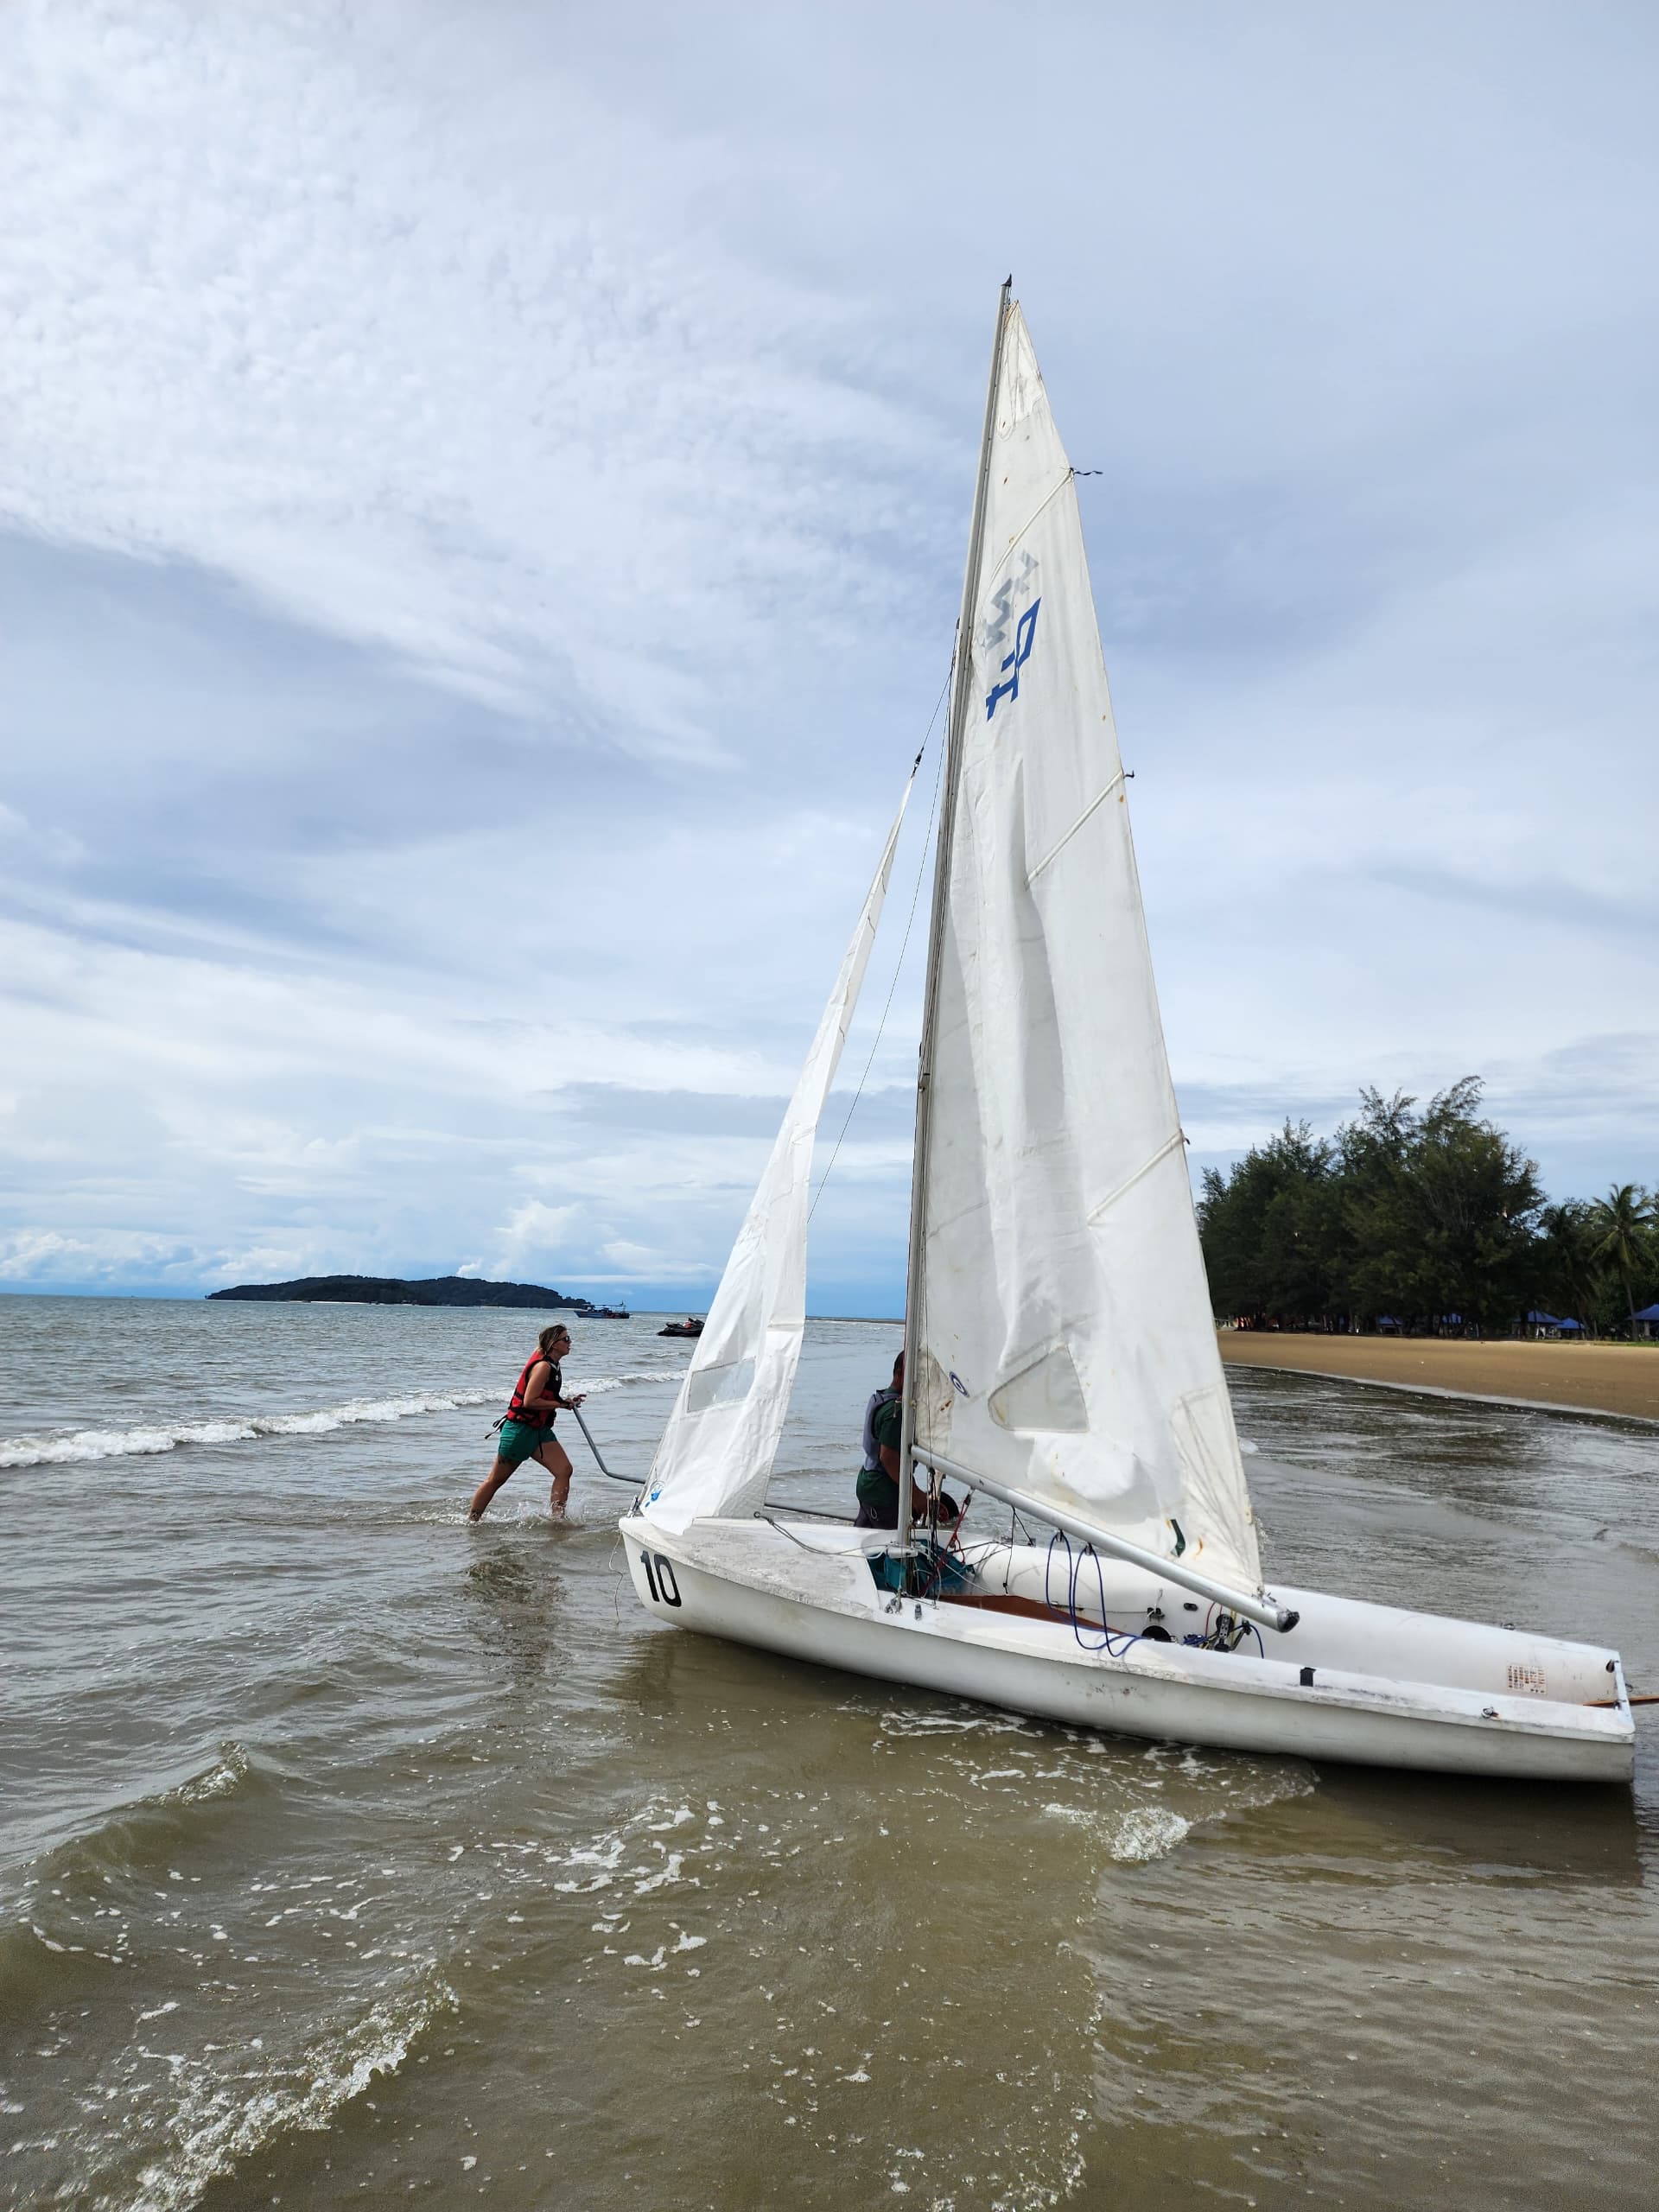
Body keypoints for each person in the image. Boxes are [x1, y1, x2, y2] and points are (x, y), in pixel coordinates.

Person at [469, 1324, 587, 1522]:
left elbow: (545, 1397)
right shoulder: (542, 1367)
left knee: (564, 1470)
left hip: (539, 1430)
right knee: (496, 1480)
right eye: (565, 1339)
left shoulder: (553, 1365)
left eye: (569, 1338)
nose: (570, 1342)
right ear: (553, 1344)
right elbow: (529, 1401)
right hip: (520, 1431)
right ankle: (472, 1520)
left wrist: (565, 1402)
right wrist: (559, 1404)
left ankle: (558, 1520)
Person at [855, 1351, 958, 1529]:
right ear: (900, 1374)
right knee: (896, 1548)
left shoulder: (881, 1399)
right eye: (918, 1376)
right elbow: (888, 1457)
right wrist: (916, 1496)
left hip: (867, 1484)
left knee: (865, 1543)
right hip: (883, 1492)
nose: (923, 1382)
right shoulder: (898, 1411)